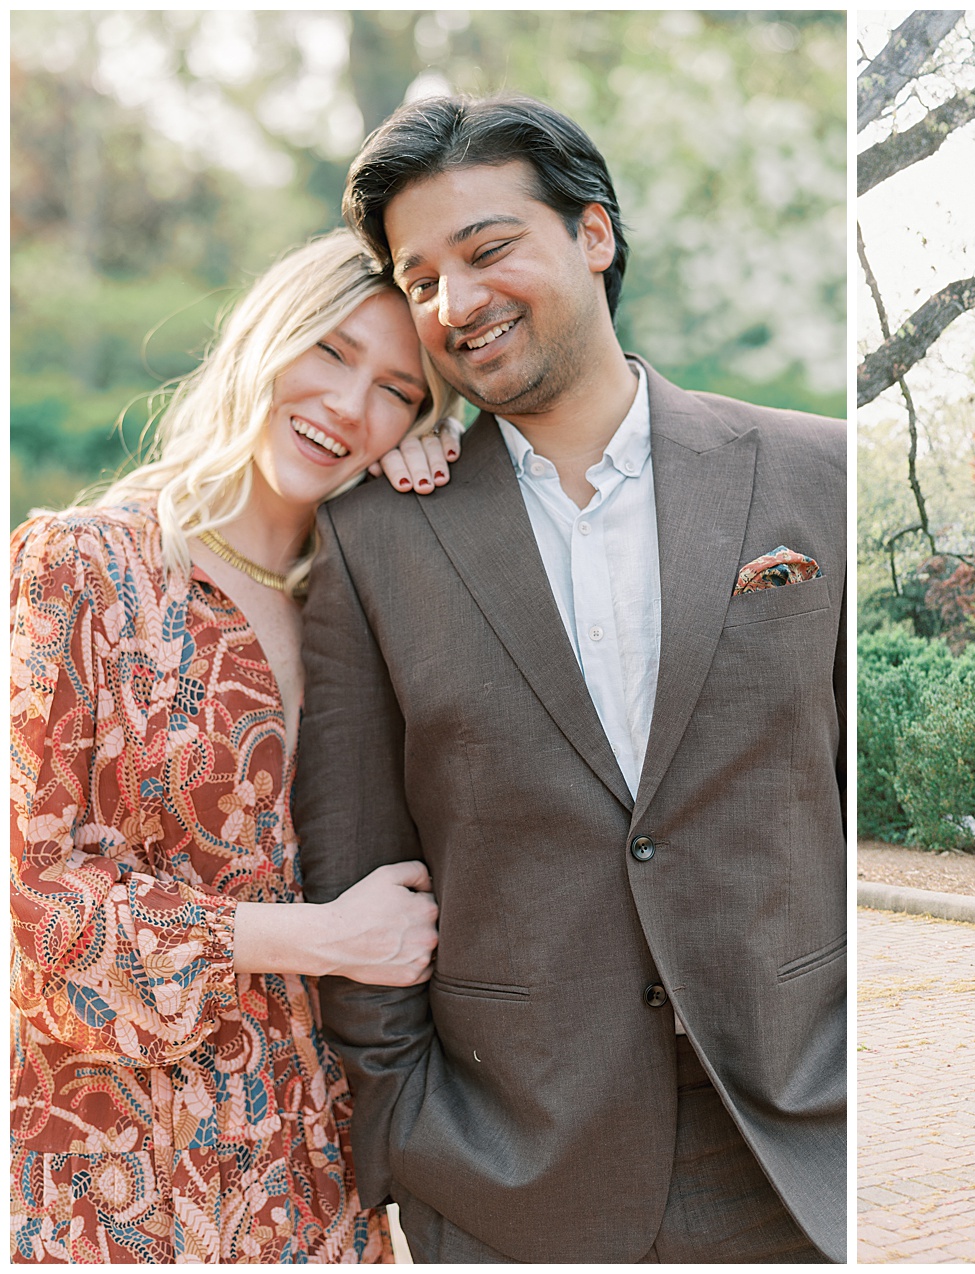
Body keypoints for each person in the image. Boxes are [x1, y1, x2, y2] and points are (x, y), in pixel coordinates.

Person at [293, 94, 846, 1263]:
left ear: (593, 234)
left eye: (490, 250)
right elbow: (355, 855)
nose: (459, 303)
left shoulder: (819, 473)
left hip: (810, 1139)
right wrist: (403, 1132)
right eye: (421, 277)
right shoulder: (374, 539)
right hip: (513, 1171)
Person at [10, 230, 463, 1262]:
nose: (352, 407)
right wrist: (325, 937)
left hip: (309, 1172)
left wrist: (439, 482)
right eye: (332, 351)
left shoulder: (367, 604)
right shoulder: (84, 568)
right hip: (113, 1167)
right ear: (267, 336)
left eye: (398, 391)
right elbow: (35, 908)